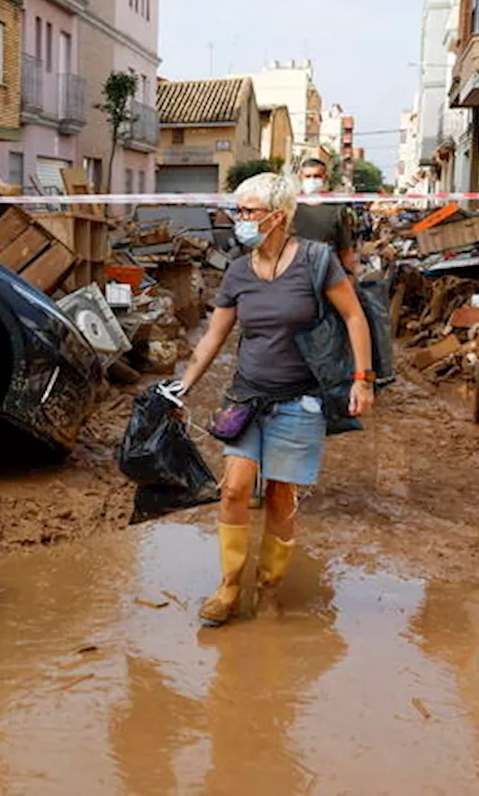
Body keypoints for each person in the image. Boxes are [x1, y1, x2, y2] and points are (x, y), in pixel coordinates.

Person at [173, 173, 375, 627]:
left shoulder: (316, 261)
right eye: (238, 211)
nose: (238, 220)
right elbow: (214, 336)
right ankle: (228, 587)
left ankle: (268, 591)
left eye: (247, 212)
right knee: (233, 490)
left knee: (282, 498)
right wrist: (182, 384)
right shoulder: (238, 271)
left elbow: (354, 317)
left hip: (300, 400)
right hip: (247, 397)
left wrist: (363, 380)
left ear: (277, 217)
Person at [293, 159, 358, 273]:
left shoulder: (337, 209)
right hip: (296, 272)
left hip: (328, 272)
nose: (312, 180)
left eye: (317, 176)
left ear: (325, 177)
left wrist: (350, 276)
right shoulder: (290, 207)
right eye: (308, 176)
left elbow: (345, 249)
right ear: (300, 177)